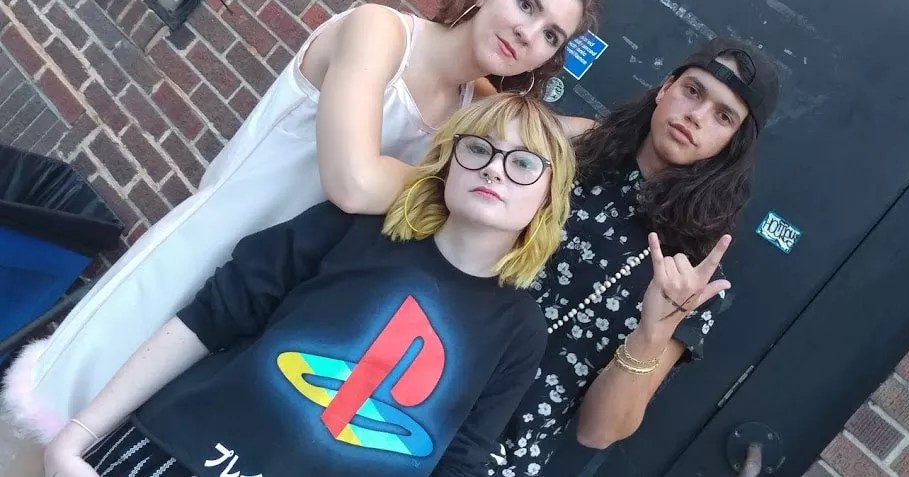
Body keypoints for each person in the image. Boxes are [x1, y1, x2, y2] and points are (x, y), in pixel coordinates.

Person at [1, 0, 606, 443]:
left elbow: (531, 150)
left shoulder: (478, 112)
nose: (529, 33)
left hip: (277, 303)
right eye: (526, 4)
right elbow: (353, 183)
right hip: (207, 255)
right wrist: (456, 184)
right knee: (62, 427)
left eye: (552, 35)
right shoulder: (381, 33)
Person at [42, 93, 577, 477]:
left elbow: (460, 461)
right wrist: (79, 436)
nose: (494, 169)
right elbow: (211, 317)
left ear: (549, 196)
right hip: (175, 453)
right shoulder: (354, 228)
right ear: (448, 162)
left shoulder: (520, 329)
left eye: (523, 162)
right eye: (478, 149)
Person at [490, 37, 779, 476]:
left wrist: (653, 331)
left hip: (496, 454)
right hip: (415, 378)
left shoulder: (690, 277)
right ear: (665, 88)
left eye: (723, 116)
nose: (696, 116)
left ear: (732, 144)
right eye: (693, 91)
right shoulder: (571, 150)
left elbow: (599, 432)